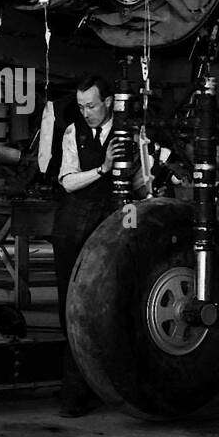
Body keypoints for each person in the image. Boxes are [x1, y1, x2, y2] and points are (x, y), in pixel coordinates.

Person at [52, 75, 144, 418]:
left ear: (108, 102)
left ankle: (105, 387)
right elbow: (68, 180)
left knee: (114, 308)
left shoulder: (129, 135)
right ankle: (74, 395)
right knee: (72, 311)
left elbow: (141, 182)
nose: (86, 112)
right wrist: (103, 168)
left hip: (112, 229)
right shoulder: (72, 133)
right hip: (73, 230)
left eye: (91, 105)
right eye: (80, 106)